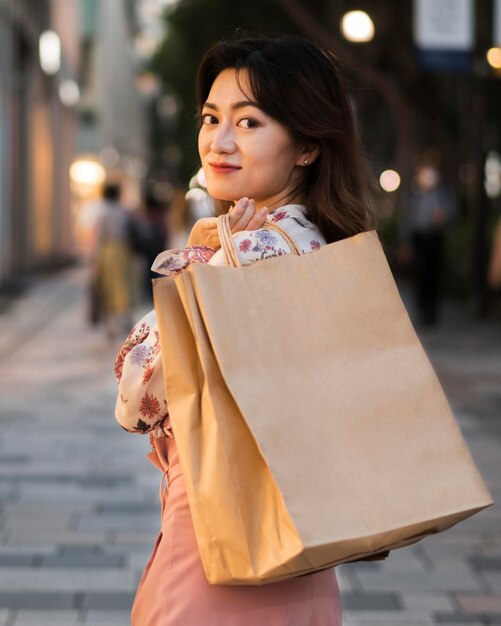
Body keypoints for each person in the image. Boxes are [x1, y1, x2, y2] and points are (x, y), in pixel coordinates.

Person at [114, 35, 377, 625]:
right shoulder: (328, 247)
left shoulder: (250, 253)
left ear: (308, 145)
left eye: (250, 122)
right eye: (211, 118)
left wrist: (198, 264)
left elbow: (135, 397)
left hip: (217, 540)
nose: (219, 141)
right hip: (300, 547)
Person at [401, 161, 456, 326]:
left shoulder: (443, 194)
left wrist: (444, 216)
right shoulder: (415, 195)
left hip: (436, 238)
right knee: (421, 274)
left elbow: (453, 211)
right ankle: (422, 308)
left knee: (434, 274)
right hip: (419, 239)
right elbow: (408, 219)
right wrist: (405, 242)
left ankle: (433, 311)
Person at [90, 180, 136, 337]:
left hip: (108, 251)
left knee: (108, 286)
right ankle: (125, 318)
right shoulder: (123, 211)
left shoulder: (103, 212)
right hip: (123, 250)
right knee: (124, 285)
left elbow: (100, 237)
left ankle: (111, 325)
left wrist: (95, 260)